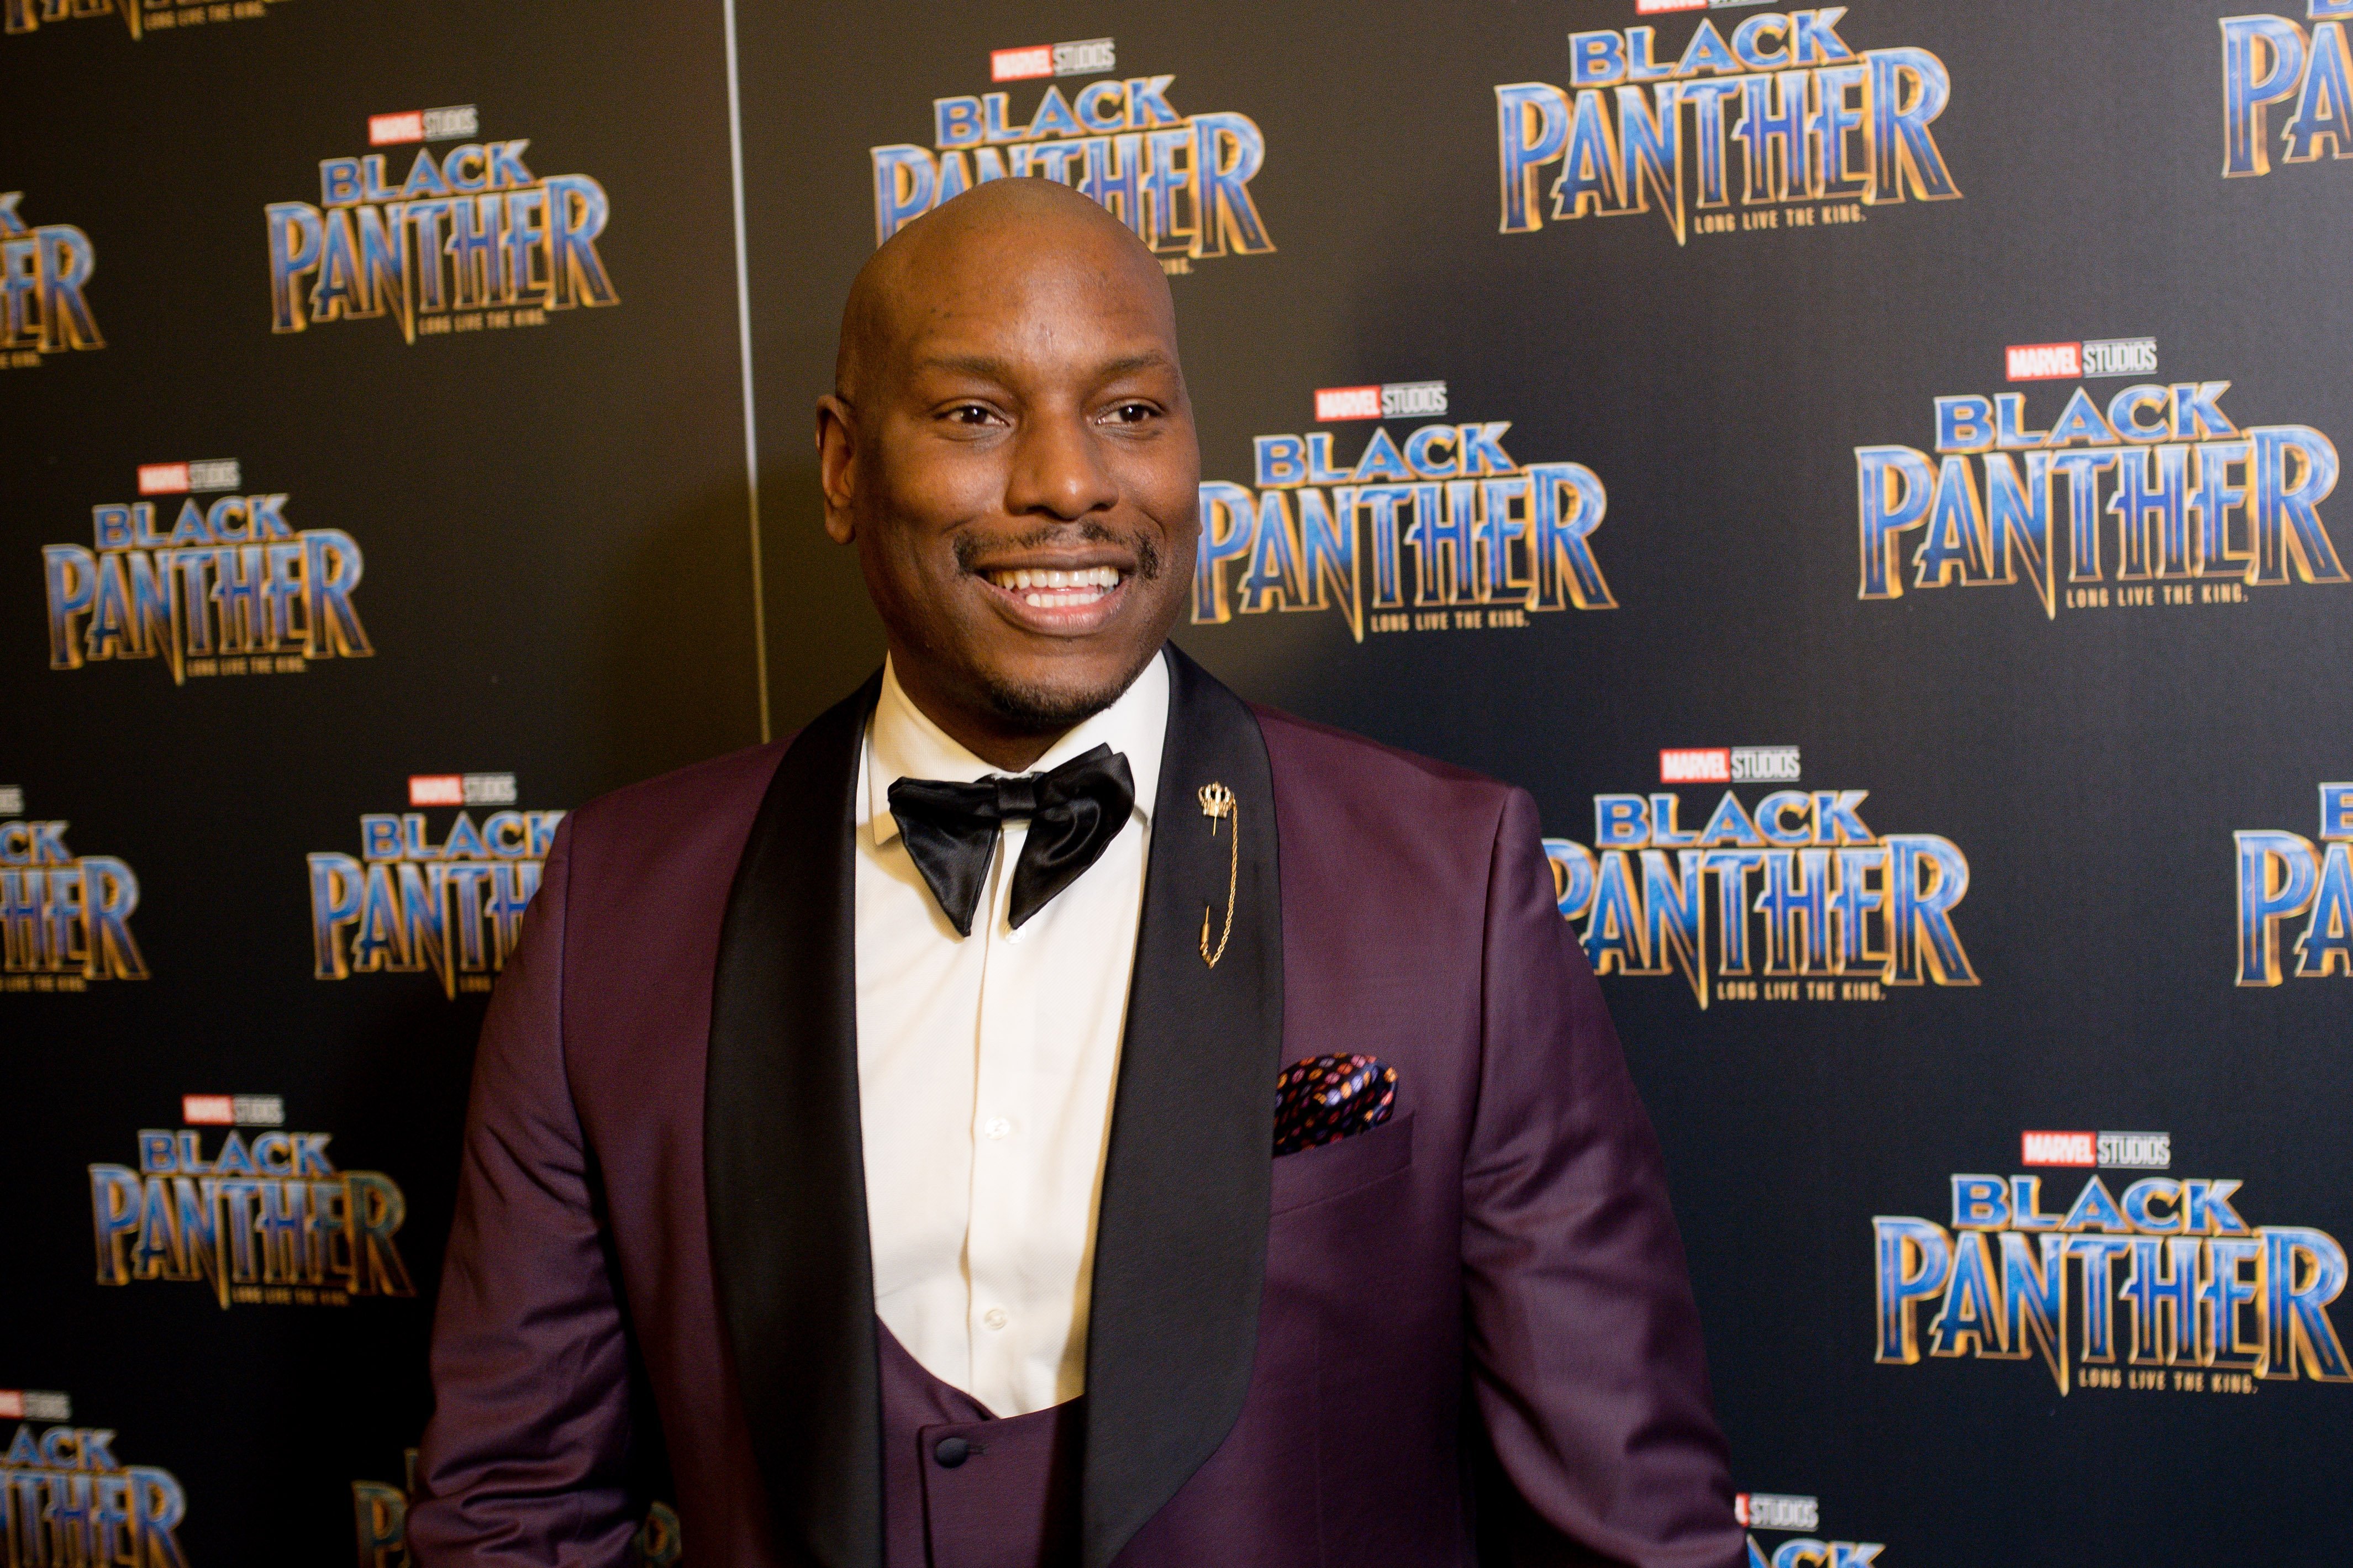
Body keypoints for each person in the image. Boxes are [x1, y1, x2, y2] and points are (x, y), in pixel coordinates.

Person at [410, 177, 1743, 1568]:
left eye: (1130, 411)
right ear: (844, 466)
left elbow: (1636, 1530)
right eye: (978, 414)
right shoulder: (618, 910)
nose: (1069, 480)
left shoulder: (1446, 886)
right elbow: (513, 1513)